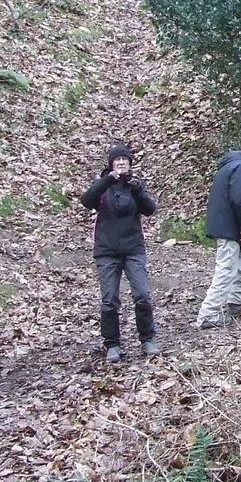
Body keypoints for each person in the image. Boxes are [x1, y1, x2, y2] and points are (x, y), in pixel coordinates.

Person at [80, 144, 160, 362]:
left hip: (133, 248)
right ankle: (112, 345)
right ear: (111, 163)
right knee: (109, 300)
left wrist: (136, 189)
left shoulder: (135, 185)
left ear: (130, 163)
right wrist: (109, 179)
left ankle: (148, 339)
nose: (121, 162)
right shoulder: (103, 186)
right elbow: (86, 200)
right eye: (117, 160)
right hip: (107, 250)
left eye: (125, 159)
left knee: (142, 295)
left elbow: (150, 209)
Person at [198, 139, 241, 328]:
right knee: (225, 271)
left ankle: (236, 304)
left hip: (227, 225)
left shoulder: (230, 165)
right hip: (230, 228)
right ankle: (208, 315)